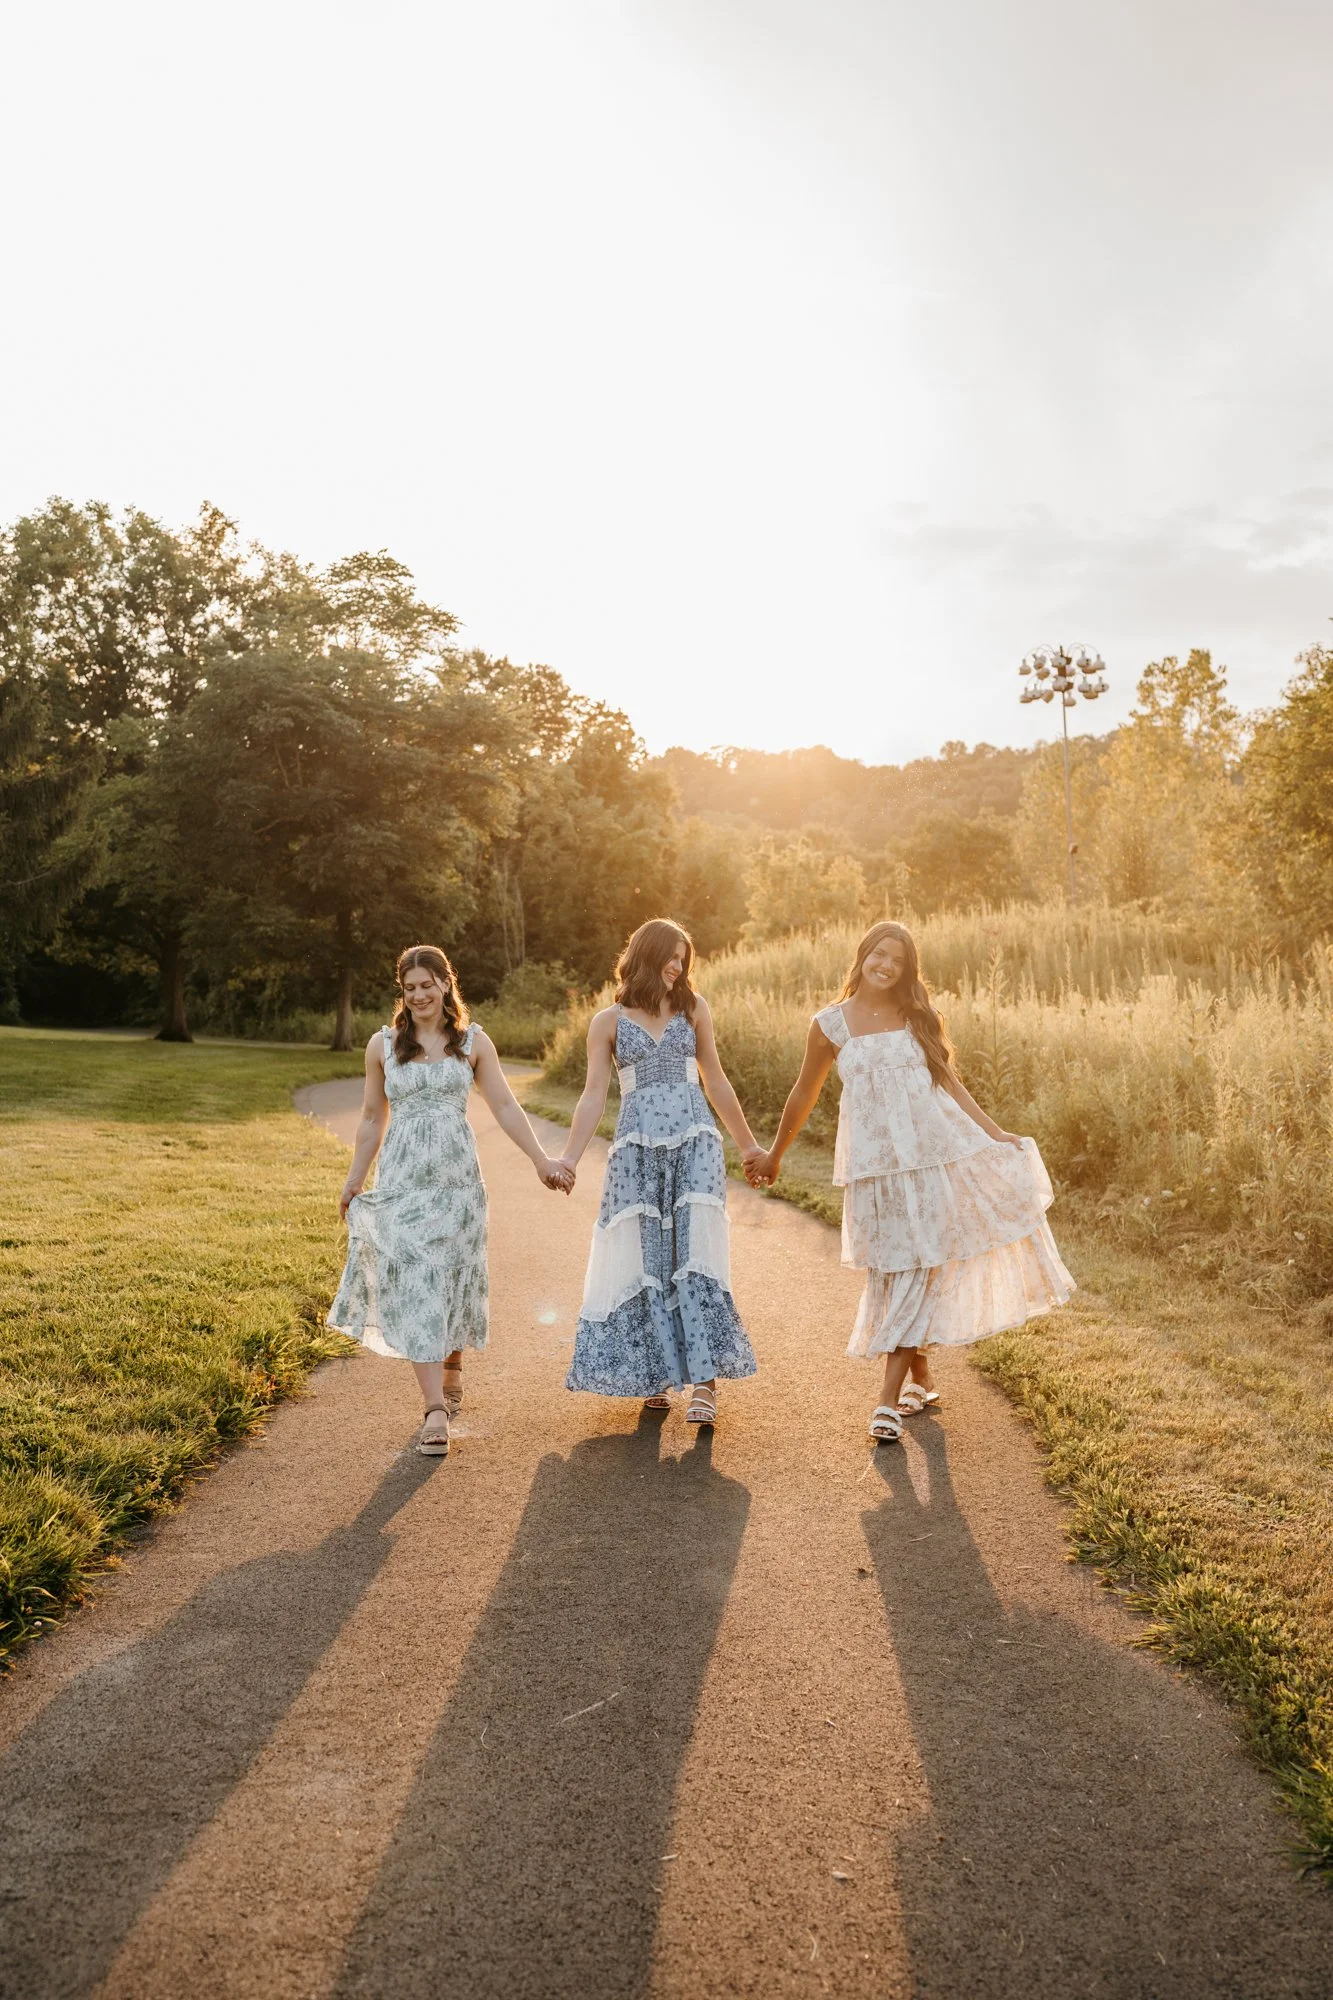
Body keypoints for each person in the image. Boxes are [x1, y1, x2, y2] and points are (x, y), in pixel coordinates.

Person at [746, 920, 1074, 1443]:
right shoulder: (830, 1025)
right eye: (879, 954)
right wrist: (775, 1154)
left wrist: (993, 1133)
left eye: (897, 960)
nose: (886, 965)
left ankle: (886, 1401)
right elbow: (803, 1093)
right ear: (863, 956)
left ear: (906, 969)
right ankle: (920, 1376)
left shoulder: (916, 1016)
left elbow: (948, 1081)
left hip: (932, 1160)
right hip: (875, 1170)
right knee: (897, 1268)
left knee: (921, 1265)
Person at [330, 944, 572, 1456]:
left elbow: (504, 1105)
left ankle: (453, 1360)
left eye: (427, 985)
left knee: (455, 1273)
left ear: (446, 983)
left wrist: (540, 1160)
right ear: (403, 991)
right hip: (403, 1180)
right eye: (410, 987)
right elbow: (373, 1118)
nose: (419, 995)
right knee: (419, 1280)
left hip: (459, 1182)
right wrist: (356, 1179)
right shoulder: (383, 1045)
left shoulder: (473, 1042)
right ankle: (434, 1409)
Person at [557, 919, 763, 1426]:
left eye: (683, 959)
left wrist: (749, 1145)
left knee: (695, 1255)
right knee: (649, 1255)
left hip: (695, 1141)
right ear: (645, 956)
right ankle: (656, 1370)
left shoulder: (693, 1010)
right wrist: (569, 1158)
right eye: (670, 956)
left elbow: (714, 1077)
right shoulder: (607, 1021)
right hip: (637, 1150)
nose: (677, 966)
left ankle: (705, 1384)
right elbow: (592, 1095)